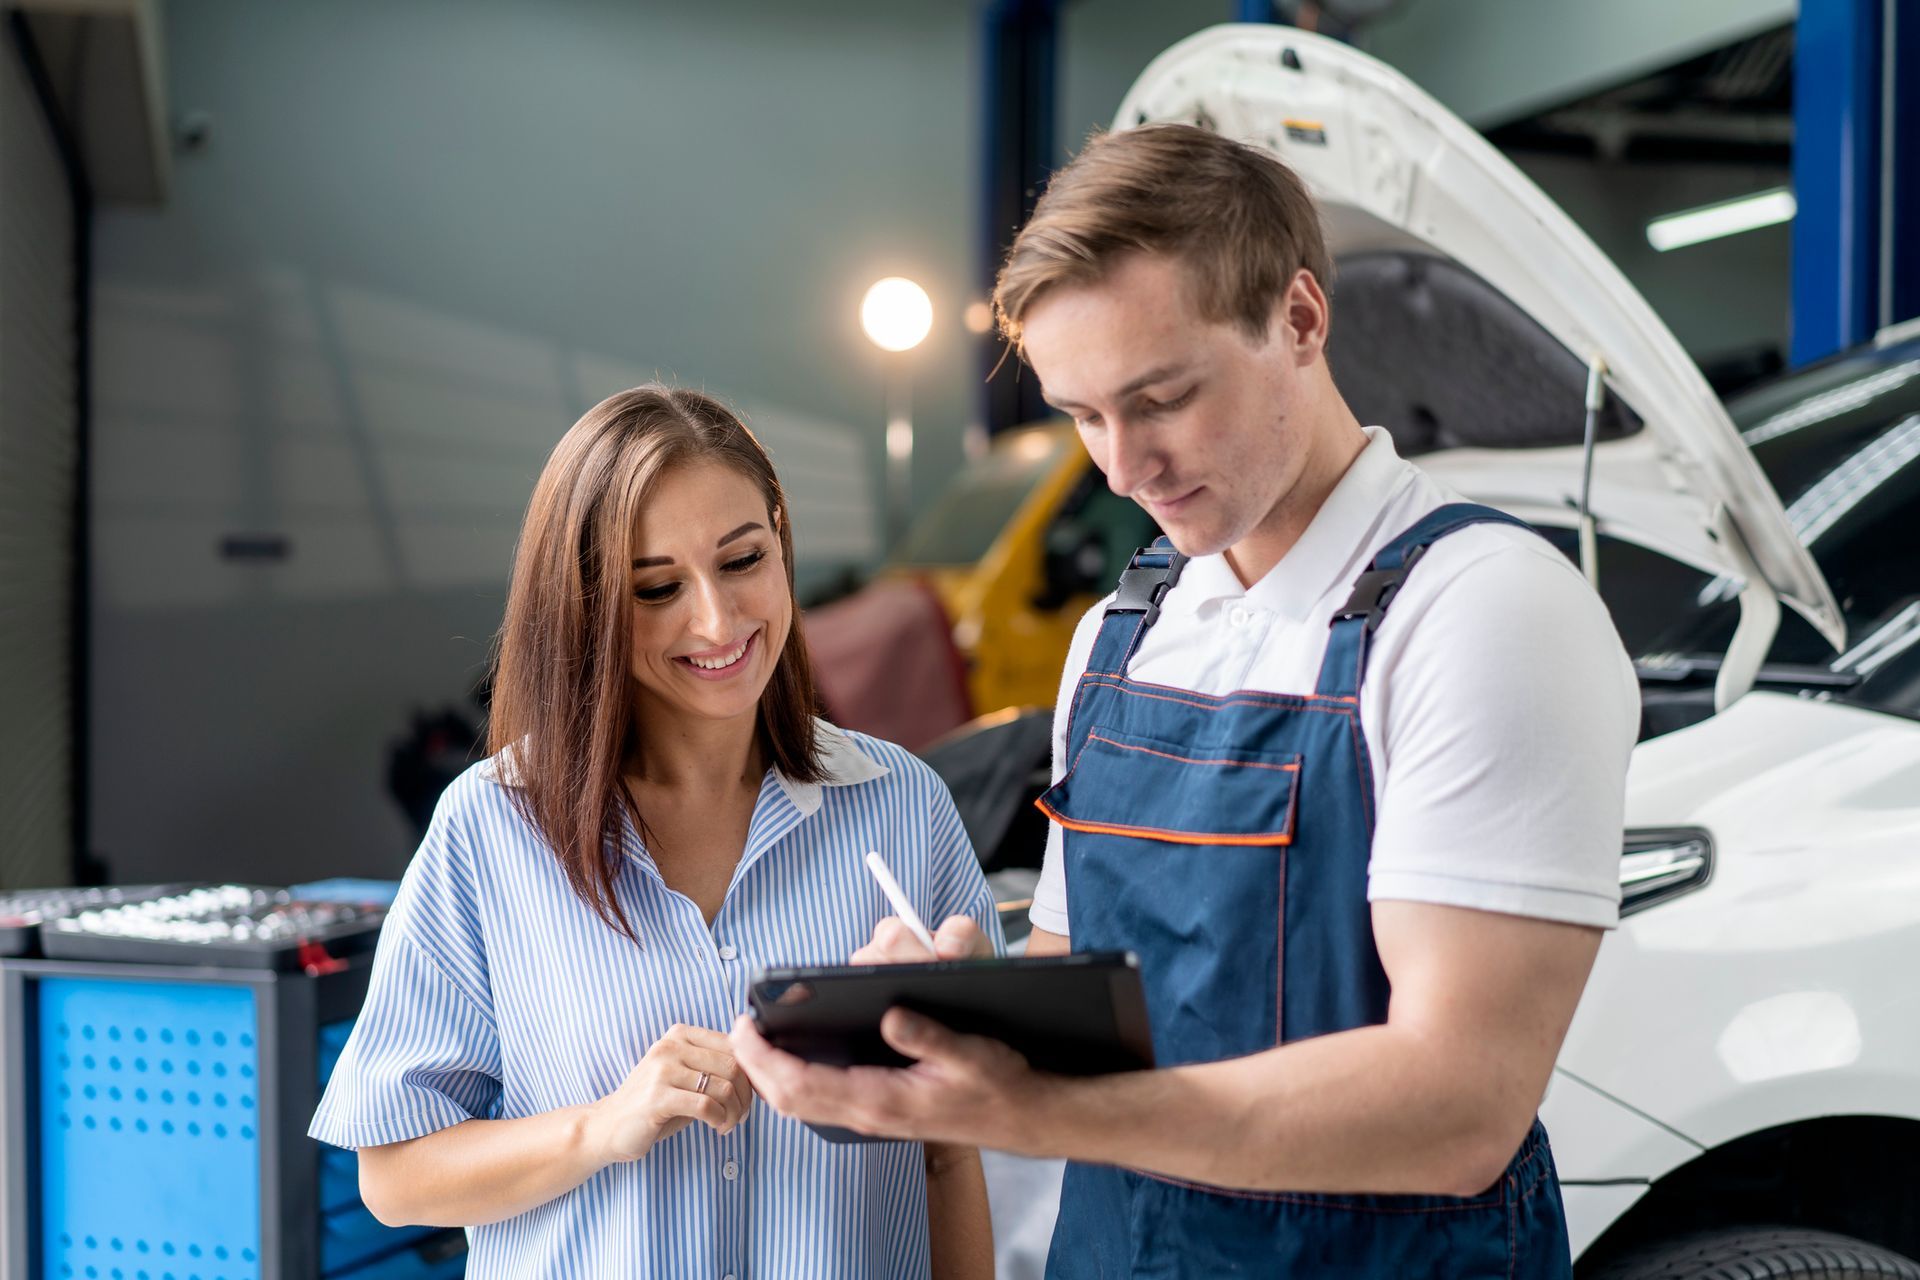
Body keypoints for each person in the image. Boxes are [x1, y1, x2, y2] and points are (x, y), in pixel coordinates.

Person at [732, 123, 1640, 1278]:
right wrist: (964, 1003)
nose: (1123, 467)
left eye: (1161, 396)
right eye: (1082, 414)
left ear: (1301, 319)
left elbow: (1459, 1105)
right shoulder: (1126, 630)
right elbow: (1082, 979)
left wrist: (1028, 1113)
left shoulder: (1483, 614)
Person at [310, 386, 1002, 1279]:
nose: (717, 621)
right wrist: (603, 1127)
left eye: (744, 559)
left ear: (781, 540)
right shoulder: (490, 828)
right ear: (587, 606)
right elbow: (396, 1177)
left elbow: (952, 1150)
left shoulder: (901, 803)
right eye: (659, 588)